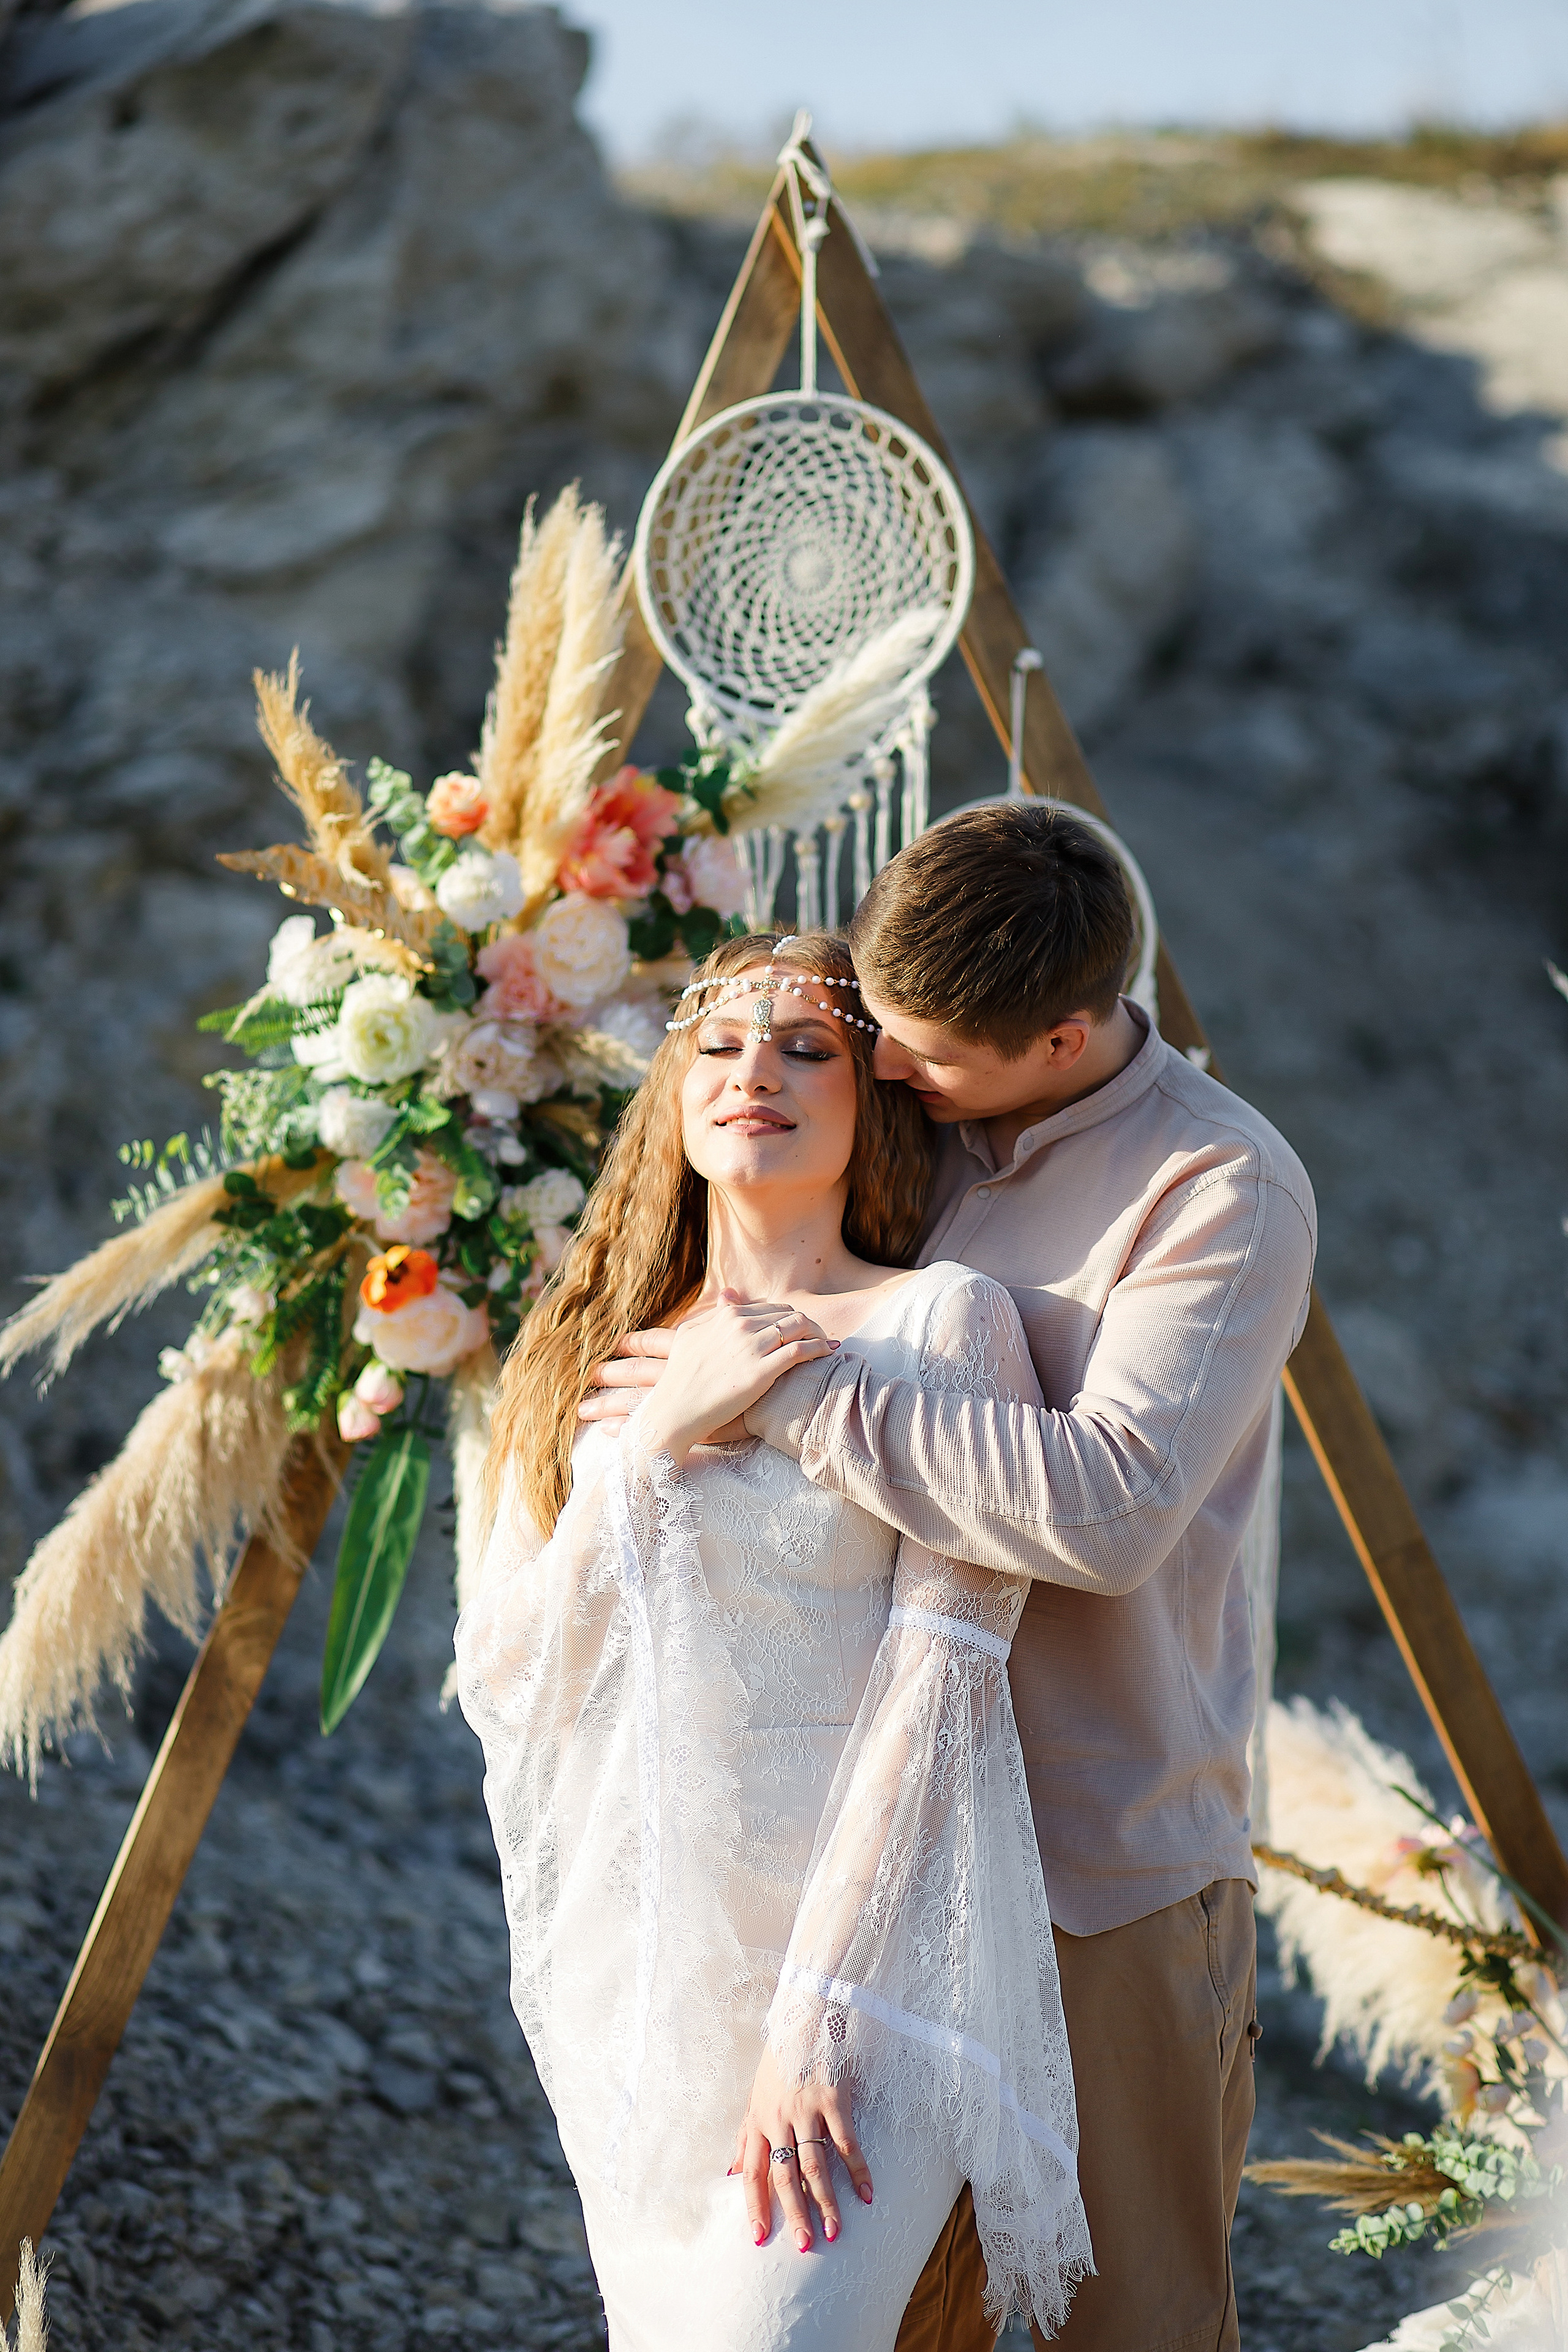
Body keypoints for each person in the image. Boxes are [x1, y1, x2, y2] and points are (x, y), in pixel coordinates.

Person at [584, 804, 1319, 2352]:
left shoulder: (1215, 1192)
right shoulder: (910, 1128)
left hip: (1087, 1862)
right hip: (849, 1861)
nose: (886, 1071)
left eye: (918, 1054)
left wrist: (787, 1387)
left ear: (1061, 1038)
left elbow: (1110, 1507)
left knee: (1115, 2327)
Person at [454, 928, 1093, 2352]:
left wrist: (818, 2010)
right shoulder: (577, 1356)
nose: (758, 1074)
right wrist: (656, 1444)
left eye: (808, 1049)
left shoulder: (942, 1323)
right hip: (643, 1994)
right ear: (673, 1091)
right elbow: (503, 1674)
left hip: (863, 1978)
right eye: (723, 1045)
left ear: (870, 1102)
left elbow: (945, 1684)